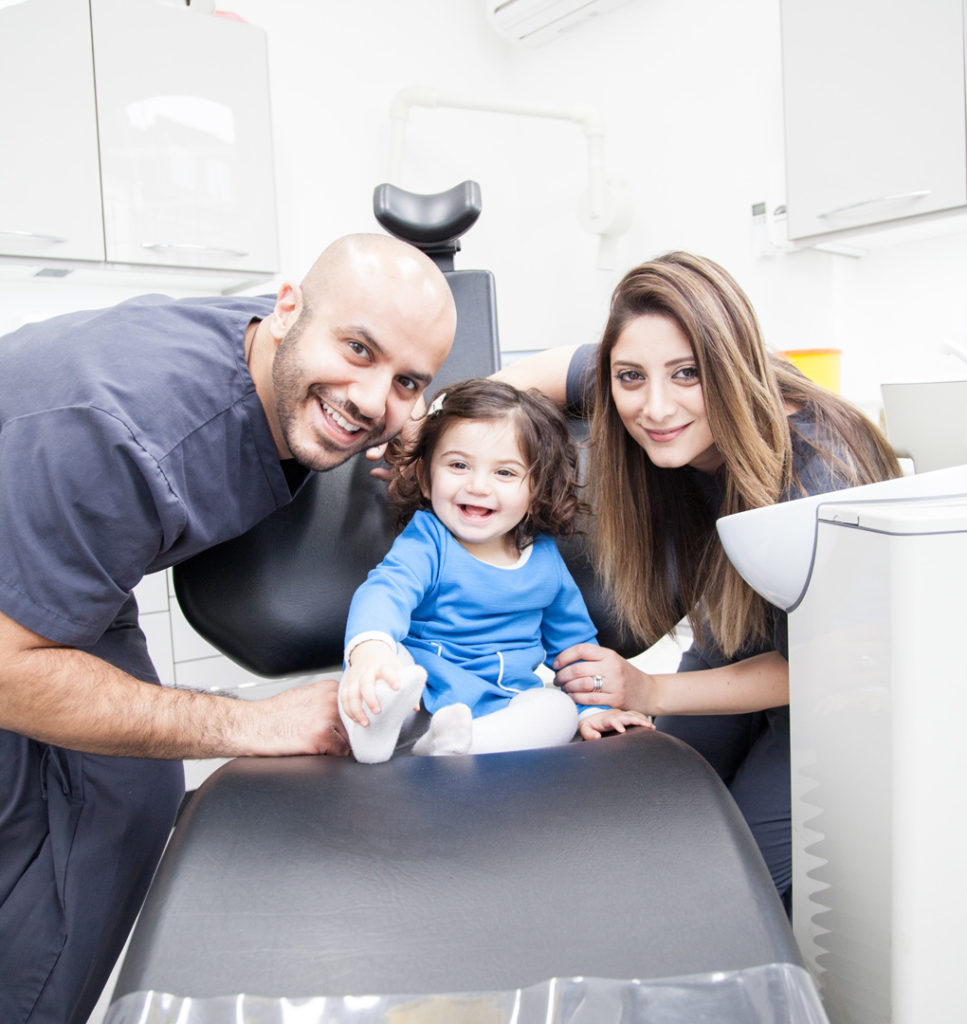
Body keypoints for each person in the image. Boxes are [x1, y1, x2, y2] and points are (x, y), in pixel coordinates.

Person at [0, 233, 457, 1024]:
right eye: (358, 350)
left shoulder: (280, 348)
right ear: (287, 312)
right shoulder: (125, 440)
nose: (370, 397)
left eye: (406, 380)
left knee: (129, 792)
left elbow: (363, 387)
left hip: (54, 543)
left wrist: (412, 421)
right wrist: (251, 724)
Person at [496, 251, 900, 910]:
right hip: (737, 642)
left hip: (836, 698)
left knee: (723, 895)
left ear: (726, 362)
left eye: (686, 374)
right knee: (654, 825)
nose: (655, 407)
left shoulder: (816, 474)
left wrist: (650, 689)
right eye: (630, 377)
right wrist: (448, 421)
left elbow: (827, 663)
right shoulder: (647, 380)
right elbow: (540, 371)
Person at [337, 378, 653, 763]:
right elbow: (385, 592)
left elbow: (575, 649)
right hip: (418, 697)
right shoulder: (429, 541)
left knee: (557, 711)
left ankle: (461, 744)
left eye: (504, 473)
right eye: (458, 465)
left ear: (536, 491)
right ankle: (376, 732)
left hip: (501, 708)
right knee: (388, 668)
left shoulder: (546, 563)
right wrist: (370, 654)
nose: (478, 486)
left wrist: (594, 710)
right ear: (424, 477)